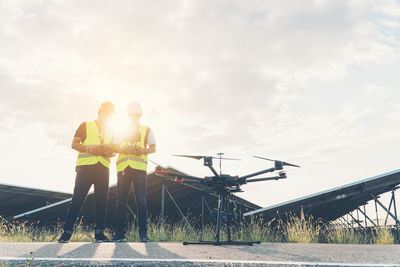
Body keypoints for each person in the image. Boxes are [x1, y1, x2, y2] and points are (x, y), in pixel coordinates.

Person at [58, 102, 115, 243]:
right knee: (77, 200)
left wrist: (109, 151)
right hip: (85, 168)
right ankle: (67, 233)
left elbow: (113, 150)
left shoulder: (112, 131)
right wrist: (89, 148)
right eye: (106, 112)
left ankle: (99, 234)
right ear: (99, 111)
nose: (108, 116)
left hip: (103, 168)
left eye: (110, 114)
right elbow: (74, 144)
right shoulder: (85, 125)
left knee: (102, 202)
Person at [111, 101, 156, 242]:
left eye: (136, 115)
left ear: (140, 115)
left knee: (141, 201)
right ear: (128, 115)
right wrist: (125, 150)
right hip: (124, 168)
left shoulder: (147, 129)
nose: (134, 117)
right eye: (132, 115)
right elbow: (114, 147)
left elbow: (153, 148)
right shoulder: (121, 130)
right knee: (121, 202)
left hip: (140, 169)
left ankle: (143, 234)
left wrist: (143, 150)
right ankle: (120, 234)